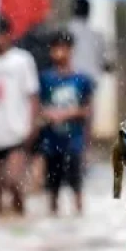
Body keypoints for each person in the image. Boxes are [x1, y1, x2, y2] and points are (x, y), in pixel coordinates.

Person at [0, 18, 39, 215]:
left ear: (8, 35)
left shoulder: (22, 61)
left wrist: (32, 126)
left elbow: (33, 96)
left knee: (13, 181)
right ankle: (1, 223)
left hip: (15, 132)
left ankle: (20, 213)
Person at [39, 31, 95, 215]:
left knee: (76, 186)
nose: (60, 52)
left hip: (74, 141)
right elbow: (38, 107)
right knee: (52, 188)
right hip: (51, 141)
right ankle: (53, 218)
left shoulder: (82, 79)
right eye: (56, 48)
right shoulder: (45, 79)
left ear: (71, 50)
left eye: (64, 47)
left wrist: (68, 114)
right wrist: (50, 114)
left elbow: (88, 109)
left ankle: (79, 216)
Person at [68, 0, 112, 84]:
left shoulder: (66, 31)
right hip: (92, 79)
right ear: (88, 12)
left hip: (70, 79)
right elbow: (104, 61)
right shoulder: (97, 36)